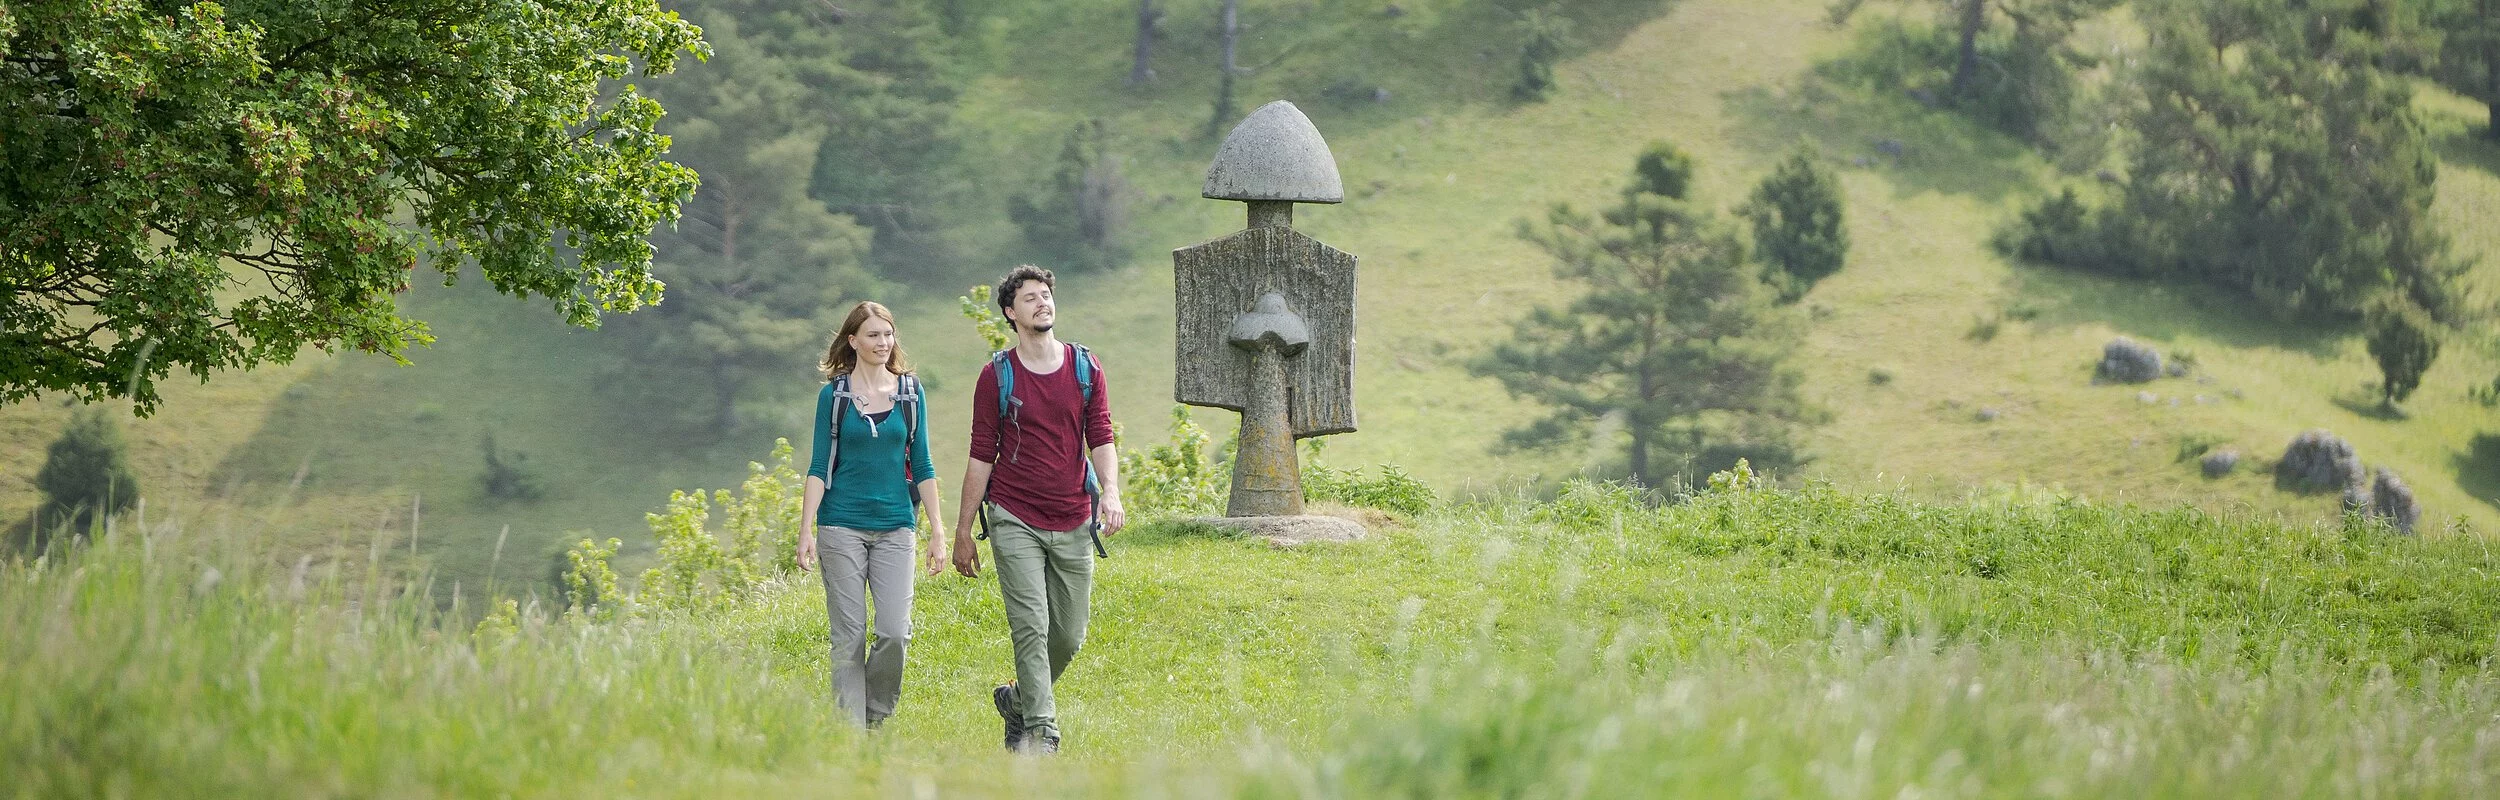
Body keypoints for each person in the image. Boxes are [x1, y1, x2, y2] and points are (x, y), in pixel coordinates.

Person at [951, 265, 1125, 755]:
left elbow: (1102, 436)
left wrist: (1110, 491)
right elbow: (981, 453)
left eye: (1046, 295)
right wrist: (964, 529)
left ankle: (1018, 701)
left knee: (1068, 636)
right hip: (1013, 515)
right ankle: (1041, 734)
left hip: (1074, 515)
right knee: (1032, 626)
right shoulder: (996, 376)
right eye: (1030, 298)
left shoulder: (1085, 368)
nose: (1041, 303)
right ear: (1011, 313)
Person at [798, 301, 948, 729]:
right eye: (873, 335)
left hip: (896, 527)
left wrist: (937, 530)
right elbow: (818, 466)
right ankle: (851, 732)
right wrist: (805, 529)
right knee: (849, 635)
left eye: (888, 334)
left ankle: (875, 717)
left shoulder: (910, 392)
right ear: (853, 341)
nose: (883, 343)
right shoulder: (835, 395)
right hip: (840, 525)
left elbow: (923, 465)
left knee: (894, 633)